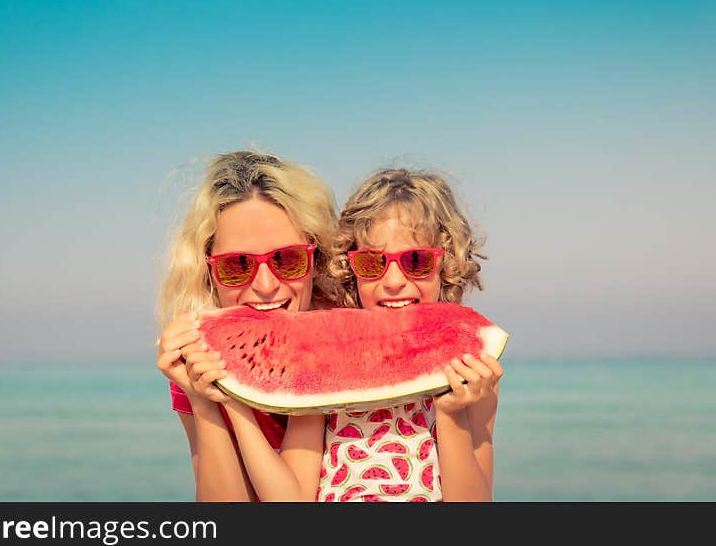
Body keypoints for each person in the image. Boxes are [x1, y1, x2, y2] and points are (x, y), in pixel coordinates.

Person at [196, 166, 504, 501]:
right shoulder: (323, 357)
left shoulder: (475, 374)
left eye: (416, 261)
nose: (394, 281)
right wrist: (235, 400)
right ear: (350, 269)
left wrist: (450, 412)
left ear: (445, 267)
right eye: (372, 263)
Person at [155, 150, 337, 501]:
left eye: (288, 259)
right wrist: (205, 401)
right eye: (237, 265)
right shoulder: (196, 360)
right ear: (209, 271)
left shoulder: (340, 337)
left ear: (316, 260)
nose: (266, 285)